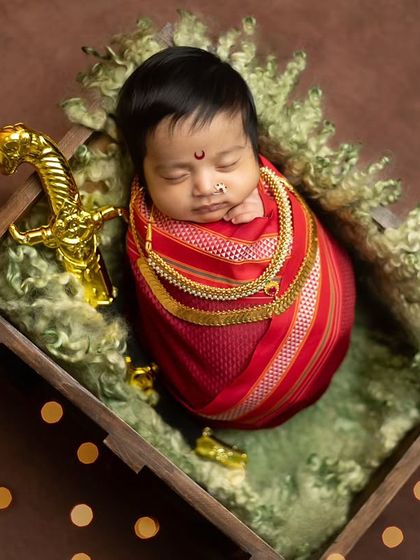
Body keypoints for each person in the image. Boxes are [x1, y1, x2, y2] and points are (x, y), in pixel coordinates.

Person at [116, 46, 355, 429]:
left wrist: (262, 212)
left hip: (327, 326)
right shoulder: (148, 238)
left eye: (227, 164)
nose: (207, 186)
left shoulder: (266, 185)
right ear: (142, 173)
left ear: (254, 147)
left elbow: (291, 213)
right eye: (176, 176)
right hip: (229, 396)